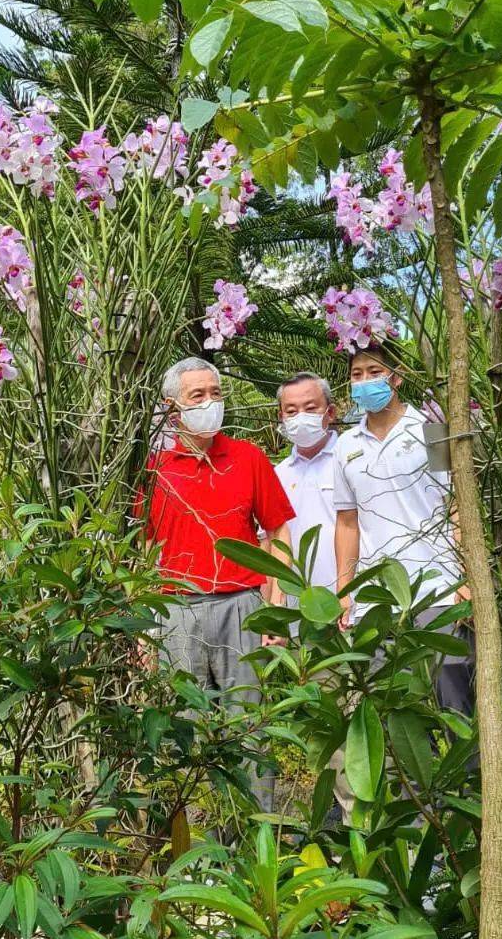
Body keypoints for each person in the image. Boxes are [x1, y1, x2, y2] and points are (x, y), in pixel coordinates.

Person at [140, 355, 294, 808]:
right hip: (175, 613)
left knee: (249, 728)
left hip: (242, 606)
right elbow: (141, 547)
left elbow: (278, 529)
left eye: (216, 394)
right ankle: (200, 850)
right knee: (180, 731)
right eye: (197, 396)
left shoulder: (247, 457)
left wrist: (274, 604)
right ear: (172, 408)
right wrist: (146, 629)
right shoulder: (152, 468)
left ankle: (256, 840)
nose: (210, 403)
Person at [332, 343, 474, 716]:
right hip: (375, 601)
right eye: (356, 375)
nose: (364, 382)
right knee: (393, 714)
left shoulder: (431, 429)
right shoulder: (345, 445)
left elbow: (456, 506)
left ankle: (472, 777)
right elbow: (347, 522)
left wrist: (464, 577)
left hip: (436, 590)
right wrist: (344, 591)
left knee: (454, 705)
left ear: (396, 377)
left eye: (374, 373)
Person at [275, 373, 338, 591]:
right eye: (291, 411)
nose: (301, 417)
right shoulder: (278, 474)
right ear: (281, 416)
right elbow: (270, 541)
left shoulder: (350, 460)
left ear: (330, 412)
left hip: (353, 598)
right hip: (297, 603)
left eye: (310, 409)